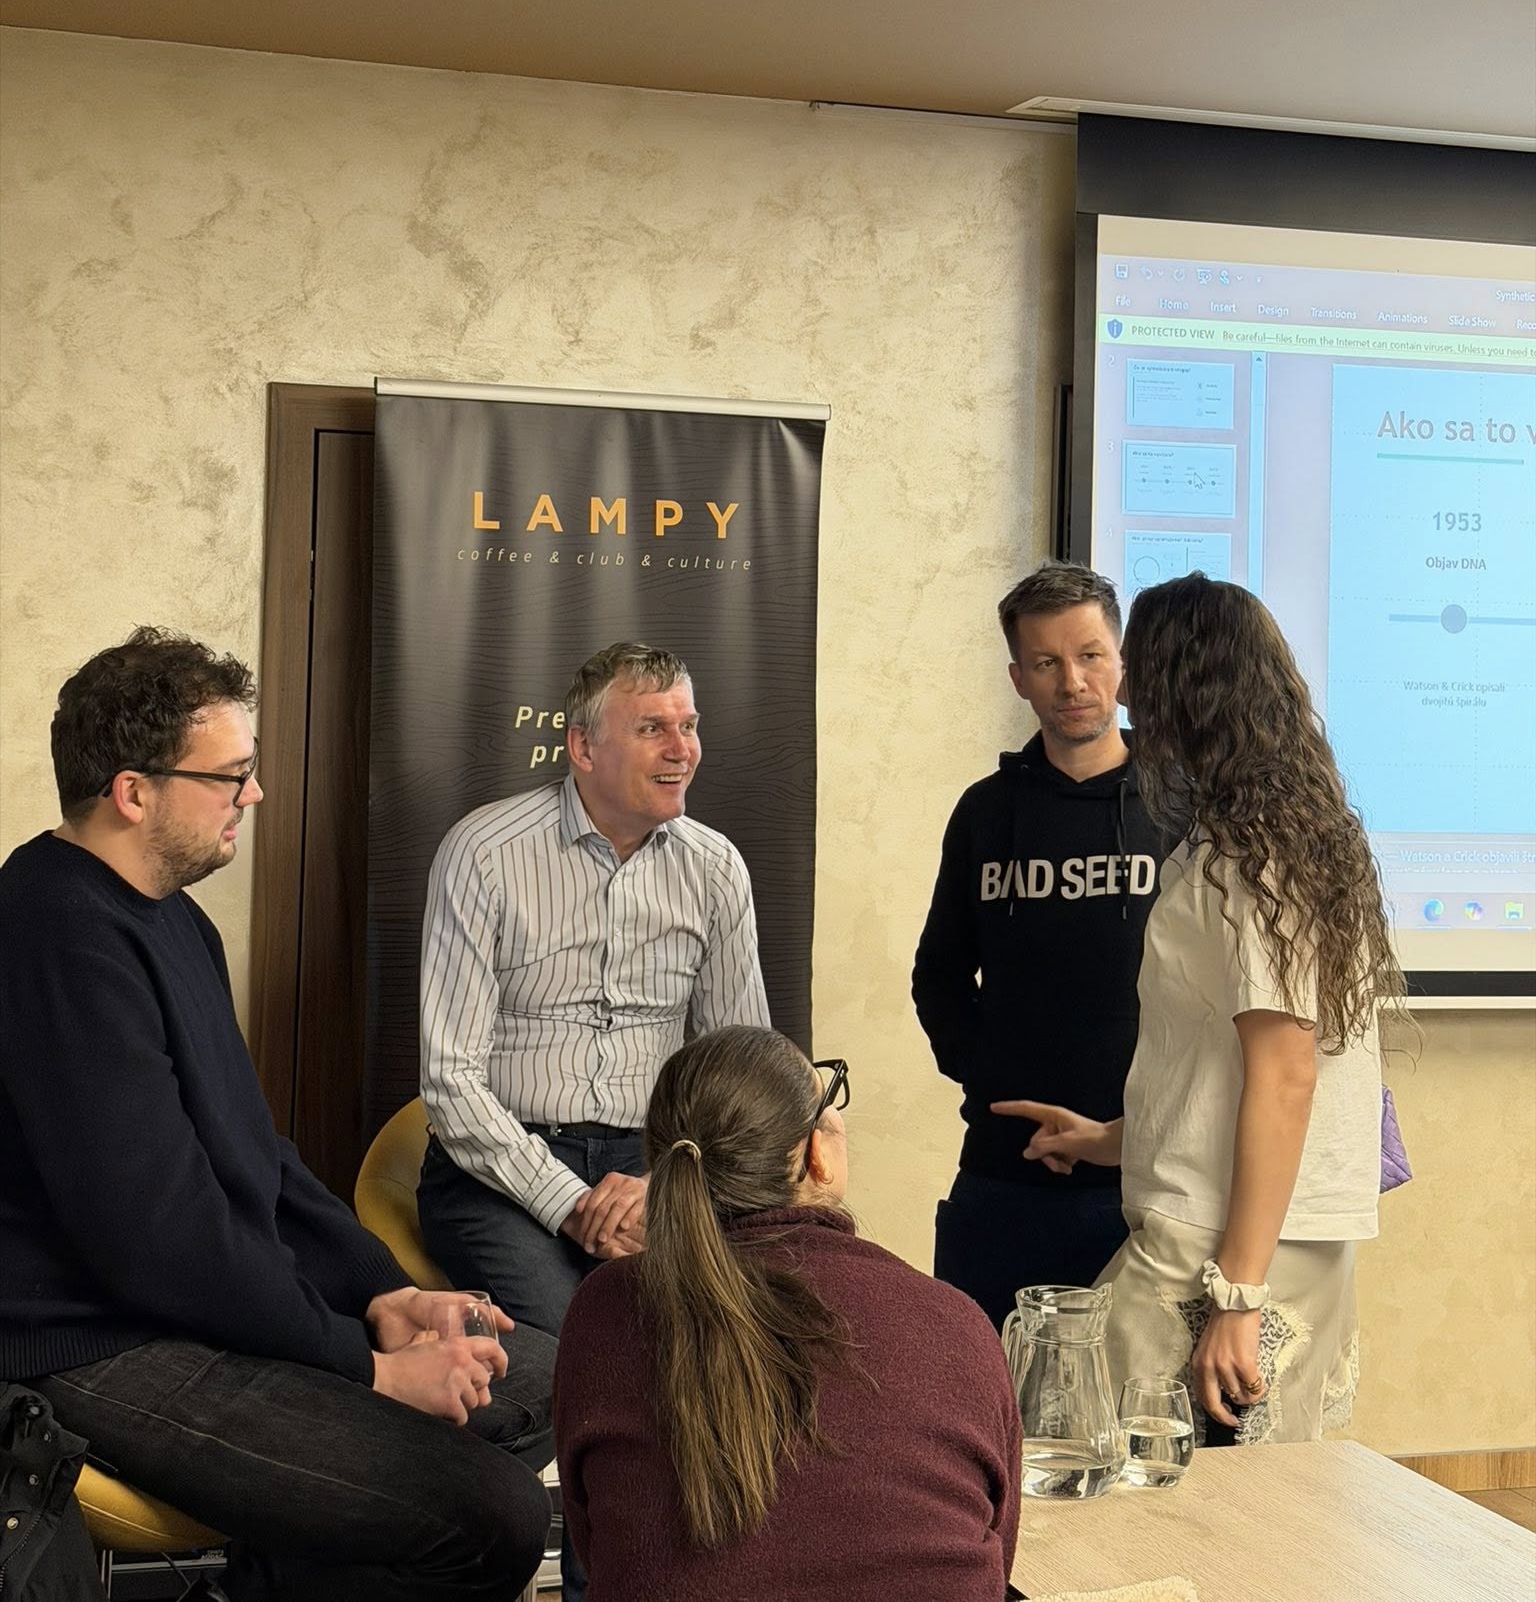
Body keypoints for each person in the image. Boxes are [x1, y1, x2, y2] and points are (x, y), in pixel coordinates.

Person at [0, 627, 556, 1601]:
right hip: (96, 1342)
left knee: (556, 1373)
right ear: (133, 792)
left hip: (186, 1302)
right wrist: (367, 1368)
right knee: (492, 1517)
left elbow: (255, 1155)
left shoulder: (175, 917)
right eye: (230, 775)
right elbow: (159, 1238)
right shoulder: (54, 932)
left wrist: (381, 1294)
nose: (253, 795)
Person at [997, 573, 1401, 1443]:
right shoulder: (1270, 839)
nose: (1125, 696)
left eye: (1139, 673)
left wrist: (1238, 1296)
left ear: (1191, 692)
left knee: (1082, 1450)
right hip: (1247, 1235)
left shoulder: (1254, 862)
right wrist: (1115, 1136)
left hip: (1227, 1248)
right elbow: (1223, 1062)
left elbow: (1287, 1075)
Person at [417, 641, 769, 1595]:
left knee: (715, 1342)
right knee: (598, 1348)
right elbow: (450, 1082)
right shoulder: (484, 852)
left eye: (689, 725)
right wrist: (573, 1202)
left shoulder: (715, 867)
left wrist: (666, 1183)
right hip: (500, 1171)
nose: (683, 748)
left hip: (659, 1169)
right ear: (582, 747)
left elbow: (740, 1073)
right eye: (653, 727)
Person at [553, 1026, 1022, 1601]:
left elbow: (593, 1542)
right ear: (815, 1156)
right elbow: (998, 1557)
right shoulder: (955, 1323)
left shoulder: (604, 1310)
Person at [912, 561, 1167, 1329]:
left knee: (1138, 1398)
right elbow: (938, 976)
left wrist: (1117, 1133)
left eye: (1090, 656)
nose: (1073, 682)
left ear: (1122, 663)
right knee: (987, 1389)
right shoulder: (986, 812)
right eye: (1047, 663)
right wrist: (995, 1082)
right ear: (1019, 678)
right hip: (1006, 1172)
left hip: (1146, 1178)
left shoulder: (1178, 808)